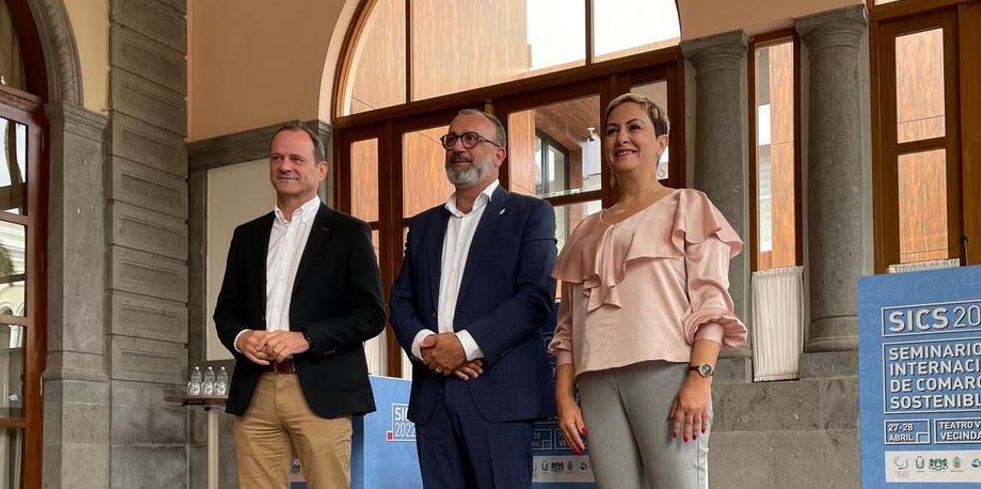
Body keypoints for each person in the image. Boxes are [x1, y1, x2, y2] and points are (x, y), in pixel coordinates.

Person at [549, 93, 747, 489]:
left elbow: (711, 302)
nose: (621, 137)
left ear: (661, 142)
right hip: (596, 382)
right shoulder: (584, 231)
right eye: (610, 131)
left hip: (668, 374)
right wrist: (564, 396)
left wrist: (700, 378)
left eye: (634, 126)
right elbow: (567, 329)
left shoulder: (688, 206)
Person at [390, 109, 558, 489]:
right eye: (451, 140)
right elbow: (400, 300)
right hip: (432, 397)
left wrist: (464, 346)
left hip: (498, 396)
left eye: (471, 139)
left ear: (499, 153)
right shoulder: (423, 225)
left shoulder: (530, 214)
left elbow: (535, 297)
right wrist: (429, 347)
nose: (458, 148)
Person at [213, 123, 386, 489]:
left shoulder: (348, 233)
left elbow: (371, 315)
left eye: (296, 158)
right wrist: (242, 337)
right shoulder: (247, 236)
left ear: (320, 170)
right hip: (255, 389)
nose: (285, 166)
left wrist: (305, 338)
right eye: (277, 158)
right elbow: (225, 311)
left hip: (321, 387)